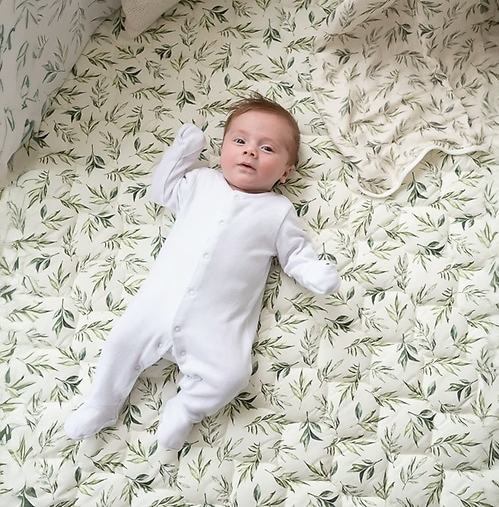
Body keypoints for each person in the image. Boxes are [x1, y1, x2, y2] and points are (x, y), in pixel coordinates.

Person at [64, 94, 341, 449]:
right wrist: (183, 152)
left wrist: (314, 271)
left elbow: (295, 253)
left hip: (217, 324)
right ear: (223, 148)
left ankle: (186, 408)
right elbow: (162, 190)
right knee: (121, 341)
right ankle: (102, 403)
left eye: (267, 148)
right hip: (157, 306)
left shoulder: (278, 212)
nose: (250, 152)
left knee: (232, 375)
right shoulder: (200, 182)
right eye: (239, 141)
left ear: (286, 172)